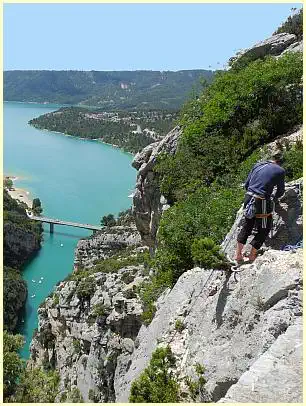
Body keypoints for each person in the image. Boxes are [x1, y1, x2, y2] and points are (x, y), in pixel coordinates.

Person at [235, 151, 285, 263]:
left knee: (247, 226)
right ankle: (252, 255)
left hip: (248, 197)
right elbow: (281, 191)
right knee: (264, 227)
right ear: (280, 163)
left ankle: (238, 255)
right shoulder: (280, 171)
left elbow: (247, 184)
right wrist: (273, 198)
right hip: (261, 201)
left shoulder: (258, 165)